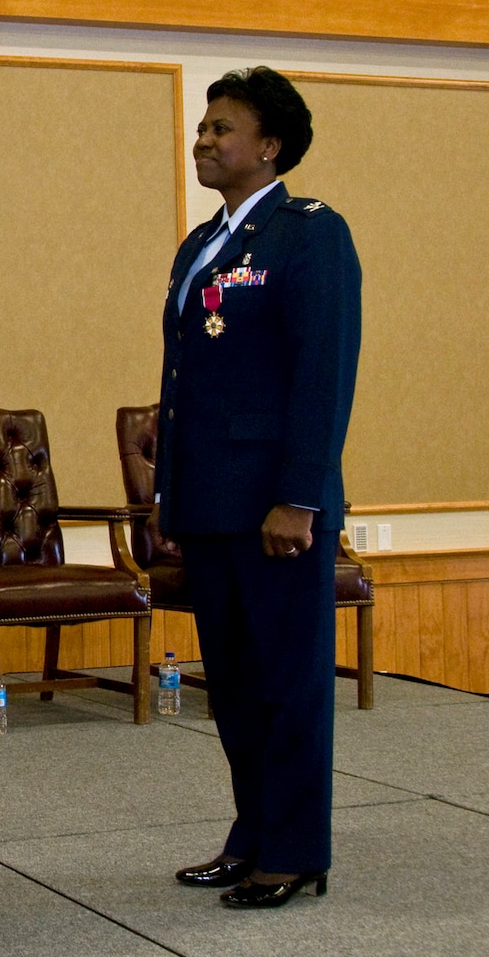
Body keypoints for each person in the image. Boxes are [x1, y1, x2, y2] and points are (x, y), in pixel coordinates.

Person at [151, 66, 362, 910]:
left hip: (276, 508)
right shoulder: (201, 242)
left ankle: (297, 848)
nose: (204, 140)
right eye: (202, 128)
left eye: (222, 129)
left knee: (289, 683)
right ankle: (253, 835)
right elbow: (182, 378)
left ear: (268, 147)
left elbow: (323, 374)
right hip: (210, 503)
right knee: (235, 687)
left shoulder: (308, 233)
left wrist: (301, 499)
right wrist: (171, 497)